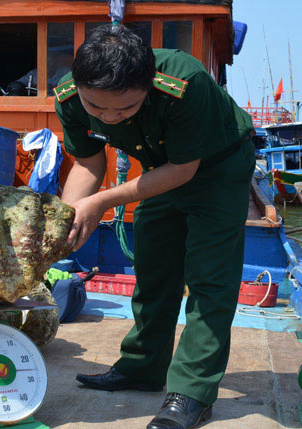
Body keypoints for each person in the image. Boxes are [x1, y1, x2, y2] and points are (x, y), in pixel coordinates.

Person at [54, 25, 254, 429]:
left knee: (209, 281)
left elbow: (184, 169)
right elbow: (90, 163)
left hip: (217, 166)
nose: (109, 116)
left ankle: (192, 393)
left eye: (125, 109)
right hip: (159, 169)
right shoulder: (70, 96)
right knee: (153, 268)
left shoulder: (185, 82)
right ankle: (143, 368)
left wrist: (102, 201)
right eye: (97, 108)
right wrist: (66, 220)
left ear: (147, 87)